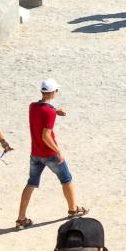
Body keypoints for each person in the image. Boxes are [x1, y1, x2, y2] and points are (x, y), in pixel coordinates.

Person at [16, 78, 84, 229]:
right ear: (53, 92)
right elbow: (46, 136)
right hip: (49, 154)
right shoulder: (49, 112)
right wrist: (58, 152)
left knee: (31, 183)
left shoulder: (32, 106)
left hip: (35, 153)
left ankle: (21, 219)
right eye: (56, 90)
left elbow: (42, 109)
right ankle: (73, 209)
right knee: (66, 179)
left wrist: (54, 110)